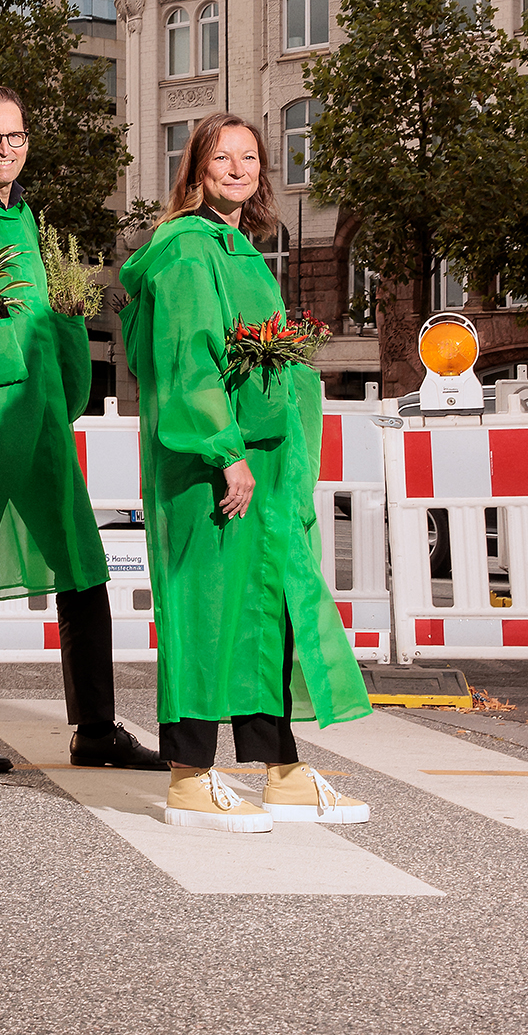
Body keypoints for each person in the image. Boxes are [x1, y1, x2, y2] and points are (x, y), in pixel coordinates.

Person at [0, 86, 164, 774]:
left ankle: (96, 728)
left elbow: (38, 320)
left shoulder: (24, 218)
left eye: (16, 138)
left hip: (39, 424)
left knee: (81, 563)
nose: (6, 149)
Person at [119, 111, 371, 832]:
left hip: (257, 465)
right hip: (214, 466)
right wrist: (225, 451)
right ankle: (191, 779)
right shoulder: (187, 249)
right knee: (203, 612)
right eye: (223, 157)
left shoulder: (233, 247)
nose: (238, 167)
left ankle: (282, 770)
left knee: (263, 614)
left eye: (250, 156)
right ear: (196, 168)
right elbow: (189, 356)